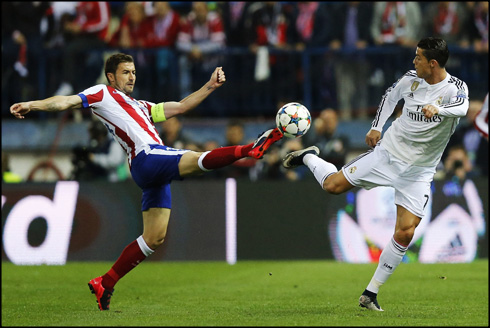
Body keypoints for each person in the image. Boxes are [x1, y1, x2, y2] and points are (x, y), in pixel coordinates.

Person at [10, 53, 284, 311]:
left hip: (151, 169)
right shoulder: (102, 94)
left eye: (133, 72)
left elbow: (182, 106)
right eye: (125, 72)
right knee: (196, 160)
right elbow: (66, 101)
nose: (131, 77)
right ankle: (249, 149)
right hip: (147, 157)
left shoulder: (142, 106)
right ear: (111, 77)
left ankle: (105, 282)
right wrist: (33, 104)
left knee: (154, 237)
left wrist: (209, 86)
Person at [282, 37, 469, 311]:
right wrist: (376, 127)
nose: (413, 61)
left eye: (418, 57)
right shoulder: (410, 79)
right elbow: (390, 97)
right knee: (333, 186)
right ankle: (308, 156)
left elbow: (463, 107)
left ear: (433, 63)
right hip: (387, 155)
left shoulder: (454, 88)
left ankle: (370, 293)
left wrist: (439, 109)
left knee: (405, 233)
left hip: (419, 171)